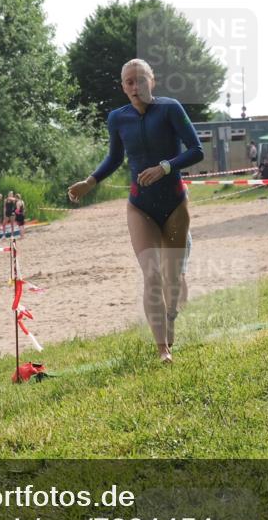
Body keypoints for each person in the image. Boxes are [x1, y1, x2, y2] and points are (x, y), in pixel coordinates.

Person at [68, 58, 203, 363]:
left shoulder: (170, 108)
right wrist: (90, 182)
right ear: (123, 87)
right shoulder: (118, 118)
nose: (134, 86)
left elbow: (197, 150)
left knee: (172, 278)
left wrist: (165, 167)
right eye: (128, 81)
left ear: (151, 81)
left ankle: (170, 317)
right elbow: (115, 157)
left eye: (140, 79)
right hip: (139, 206)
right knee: (152, 274)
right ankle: (162, 350)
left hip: (174, 204)